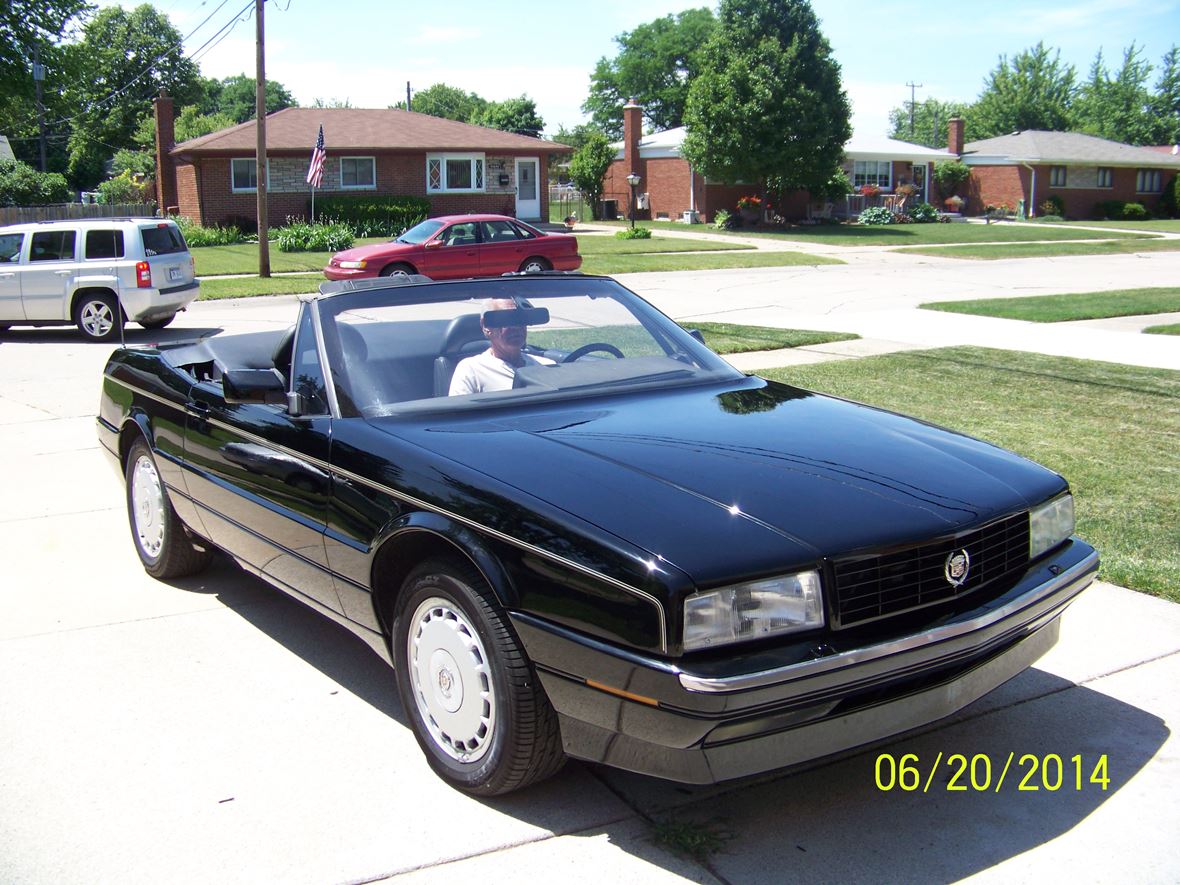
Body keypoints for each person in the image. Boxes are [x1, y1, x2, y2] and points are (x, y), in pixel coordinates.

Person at [448, 298, 550, 395]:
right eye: (506, 319)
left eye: (521, 319)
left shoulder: (547, 366)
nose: (516, 327)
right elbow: (457, 412)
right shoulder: (471, 370)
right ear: (486, 326)